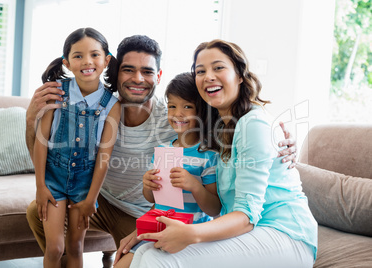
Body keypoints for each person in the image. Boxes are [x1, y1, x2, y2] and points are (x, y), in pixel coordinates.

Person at [25, 35, 298, 266]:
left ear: (159, 76)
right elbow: (50, 153)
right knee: (39, 211)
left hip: (138, 211)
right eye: (128, 70)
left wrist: (278, 135)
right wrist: (30, 121)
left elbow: (227, 126)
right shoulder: (101, 109)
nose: (137, 79)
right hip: (100, 200)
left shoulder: (173, 118)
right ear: (115, 72)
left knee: (138, 259)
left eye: (147, 71)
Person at [130, 39, 318, 268]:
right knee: (144, 253)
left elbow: (247, 216)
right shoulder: (218, 125)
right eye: (201, 71)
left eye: (218, 68)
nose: (208, 76)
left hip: (285, 234)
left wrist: (191, 233)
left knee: (156, 259)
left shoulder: (253, 124)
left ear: (239, 74)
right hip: (251, 230)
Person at [33, 27, 121, 267]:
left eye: (94, 54)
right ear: (67, 63)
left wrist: (92, 197)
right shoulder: (56, 92)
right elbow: (40, 142)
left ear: (106, 60)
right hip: (53, 178)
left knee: (75, 246)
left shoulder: (112, 104)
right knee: (55, 247)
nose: (87, 61)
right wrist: (40, 186)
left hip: (85, 181)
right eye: (78, 56)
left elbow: (104, 155)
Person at [115, 72, 221, 268]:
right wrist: (147, 185)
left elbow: (214, 208)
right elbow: (153, 199)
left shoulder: (208, 156)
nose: (177, 114)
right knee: (120, 265)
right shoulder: (164, 150)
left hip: (189, 235)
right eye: (172, 106)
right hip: (157, 228)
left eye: (187, 107)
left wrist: (195, 186)